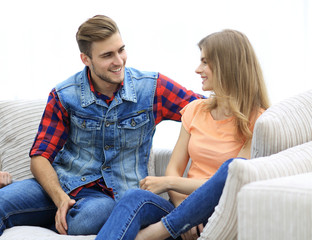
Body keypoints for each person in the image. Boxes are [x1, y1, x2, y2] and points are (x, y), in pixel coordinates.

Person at [0, 15, 203, 236]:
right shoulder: (64, 95)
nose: (119, 61)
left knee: (90, 218)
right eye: (107, 55)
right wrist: (60, 199)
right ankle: (51, 216)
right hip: (59, 186)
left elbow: (205, 110)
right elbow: (40, 156)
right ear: (85, 59)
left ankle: (45, 222)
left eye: (121, 50)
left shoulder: (153, 89)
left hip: (110, 198)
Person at [95, 29, 270, 240]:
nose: (198, 69)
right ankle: (174, 224)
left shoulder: (258, 120)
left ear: (227, 65)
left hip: (220, 211)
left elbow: (230, 182)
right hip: (182, 209)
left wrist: (169, 183)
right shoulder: (195, 110)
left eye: (205, 62)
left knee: (231, 169)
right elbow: (174, 168)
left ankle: (158, 232)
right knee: (134, 197)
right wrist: (183, 210)